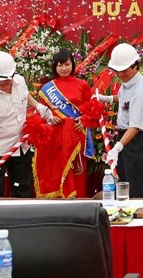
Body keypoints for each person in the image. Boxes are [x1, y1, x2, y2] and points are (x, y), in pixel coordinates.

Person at [0, 51, 54, 198]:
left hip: (20, 143)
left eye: (5, 81)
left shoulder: (20, 81)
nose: (1, 84)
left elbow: (24, 95)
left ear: (12, 75)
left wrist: (38, 106)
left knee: (22, 186)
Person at [95, 43, 143, 198]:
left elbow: (135, 126)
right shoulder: (130, 82)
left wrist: (117, 148)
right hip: (125, 138)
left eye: (124, 70)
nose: (121, 74)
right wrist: (108, 99)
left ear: (135, 65)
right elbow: (125, 99)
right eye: (118, 71)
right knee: (123, 184)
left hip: (136, 141)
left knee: (136, 186)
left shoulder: (140, 92)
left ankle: (140, 211)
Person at [32, 49, 92, 198]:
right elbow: (41, 113)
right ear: (55, 66)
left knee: (76, 171)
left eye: (67, 64)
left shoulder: (83, 85)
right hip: (54, 138)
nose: (64, 68)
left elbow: (91, 109)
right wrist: (50, 117)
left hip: (75, 136)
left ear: (73, 64)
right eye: (60, 65)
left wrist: (84, 120)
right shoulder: (47, 88)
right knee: (55, 171)